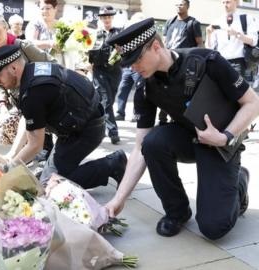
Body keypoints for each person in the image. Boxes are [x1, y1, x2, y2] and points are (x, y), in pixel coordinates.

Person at [105, 18, 259, 240]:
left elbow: (252, 103)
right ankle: (177, 211)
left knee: (213, 228)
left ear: (156, 47)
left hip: (220, 142)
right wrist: (118, 200)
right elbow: (139, 147)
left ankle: (240, 182)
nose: (133, 68)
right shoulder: (146, 87)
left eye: (136, 59)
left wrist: (225, 137)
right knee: (152, 143)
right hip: (187, 137)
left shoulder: (207, 61)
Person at [0, 44, 128, 190]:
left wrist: (8, 168)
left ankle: (112, 164)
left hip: (85, 131)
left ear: (13, 68)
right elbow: (27, 120)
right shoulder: (33, 70)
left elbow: (35, 145)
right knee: (48, 176)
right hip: (84, 121)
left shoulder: (33, 92)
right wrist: (12, 156)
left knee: (50, 185)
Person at [0, 13, 56, 160]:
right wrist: (2, 100)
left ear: (6, 28)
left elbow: (52, 64)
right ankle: (25, 158)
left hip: (38, 99)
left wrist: (36, 83)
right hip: (20, 101)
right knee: (11, 126)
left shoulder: (23, 46)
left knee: (39, 138)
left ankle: (42, 158)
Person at [89, 6, 122, 144]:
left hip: (115, 71)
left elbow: (126, 49)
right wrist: (88, 64)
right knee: (106, 100)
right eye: (104, 17)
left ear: (112, 18)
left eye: (109, 17)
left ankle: (96, 123)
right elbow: (87, 50)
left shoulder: (119, 32)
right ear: (100, 19)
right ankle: (113, 131)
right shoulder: (94, 33)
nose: (106, 20)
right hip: (99, 70)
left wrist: (122, 50)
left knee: (109, 101)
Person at [206, 0, 258, 81]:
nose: (225, 5)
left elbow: (253, 41)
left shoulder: (246, 18)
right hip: (221, 62)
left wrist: (237, 34)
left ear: (236, 2)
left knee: (239, 93)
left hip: (239, 63)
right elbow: (210, 48)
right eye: (223, 2)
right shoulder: (216, 21)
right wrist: (208, 34)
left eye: (228, 2)